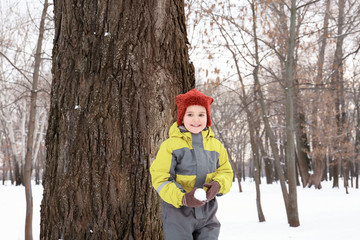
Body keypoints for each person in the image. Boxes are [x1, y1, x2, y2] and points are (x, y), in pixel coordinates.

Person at [150, 88, 233, 240]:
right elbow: (161, 178)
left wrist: (218, 185)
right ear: (182, 117)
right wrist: (182, 198)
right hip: (178, 213)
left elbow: (226, 172)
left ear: (207, 118)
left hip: (208, 211)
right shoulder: (171, 146)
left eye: (201, 114)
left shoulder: (216, 146)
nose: (196, 120)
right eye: (190, 114)